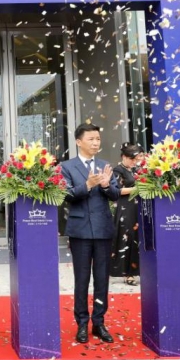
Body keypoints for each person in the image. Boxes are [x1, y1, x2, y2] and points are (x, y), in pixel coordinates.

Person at [60, 123, 120, 344]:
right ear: (79, 142)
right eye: (91, 139)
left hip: (103, 228)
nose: (96, 143)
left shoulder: (105, 165)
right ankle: (82, 323)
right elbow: (66, 194)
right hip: (80, 230)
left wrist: (105, 185)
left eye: (98, 139)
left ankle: (99, 323)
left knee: (102, 278)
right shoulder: (66, 167)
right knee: (82, 278)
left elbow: (115, 194)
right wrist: (86, 185)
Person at [110, 143, 144, 286]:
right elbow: (116, 190)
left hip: (139, 206)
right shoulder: (118, 170)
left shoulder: (137, 169)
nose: (134, 162)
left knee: (138, 238)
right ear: (124, 157)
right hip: (126, 207)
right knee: (128, 238)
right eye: (132, 159)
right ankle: (127, 273)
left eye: (136, 159)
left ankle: (139, 270)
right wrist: (137, 189)